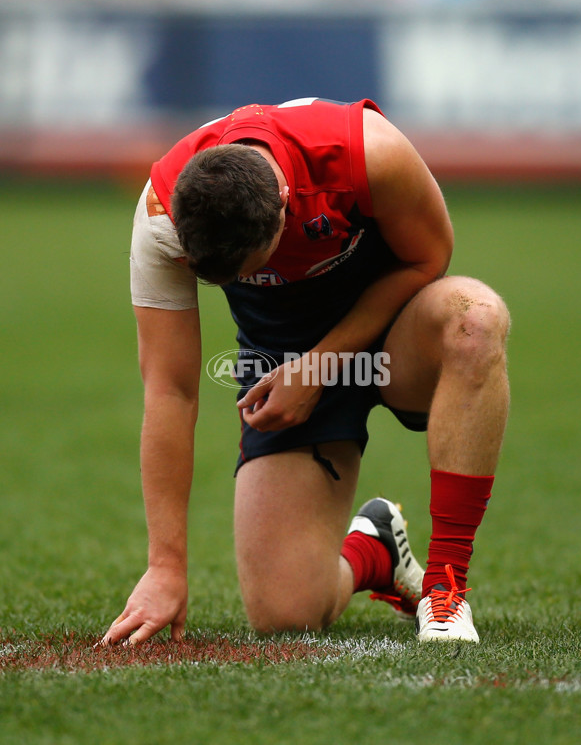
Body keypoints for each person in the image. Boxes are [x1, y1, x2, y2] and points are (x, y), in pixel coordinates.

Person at [101, 98, 509, 646]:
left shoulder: (370, 152)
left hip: (396, 337)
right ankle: (376, 548)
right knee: (286, 613)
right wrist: (165, 567)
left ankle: (446, 588)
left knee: (474, 322)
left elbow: (427, 259)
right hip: (281, 363)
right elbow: (171, 390)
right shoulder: (161, 216)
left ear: (286, 205)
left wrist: (321, 363)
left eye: (252, 267)